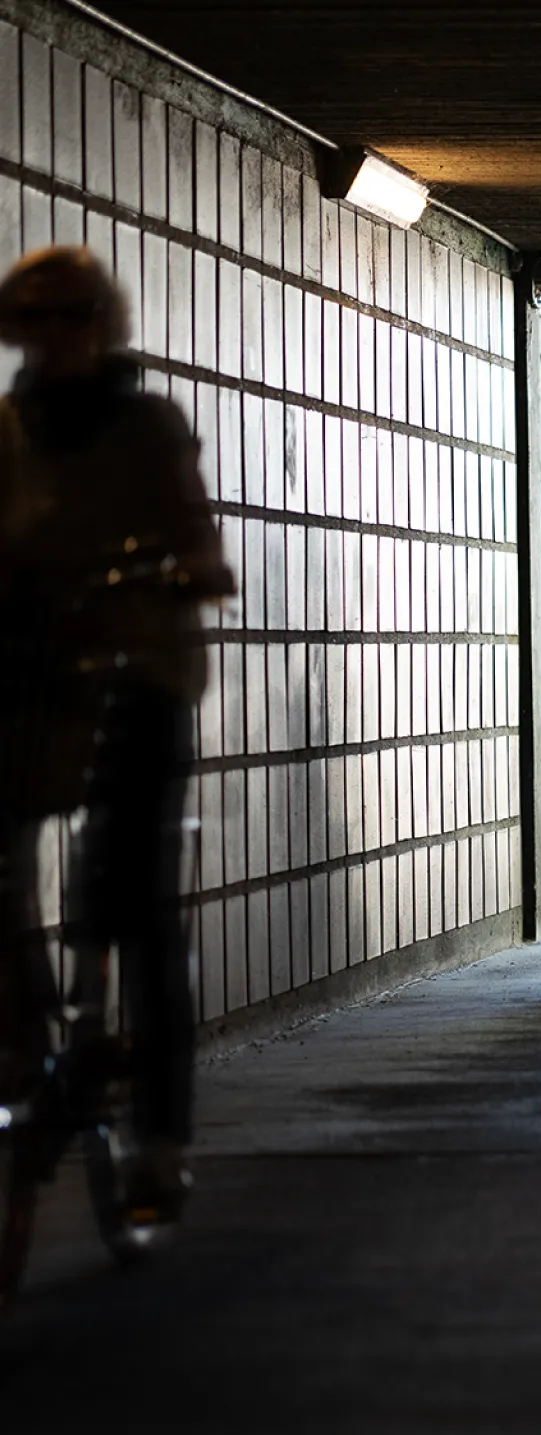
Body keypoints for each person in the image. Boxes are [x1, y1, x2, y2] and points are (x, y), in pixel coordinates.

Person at [0, 245, 233, 1217]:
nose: (57, 336)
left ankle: (163, 1139)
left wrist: (184, 574)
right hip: (28, 675)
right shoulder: (5, 429)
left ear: (105, 321)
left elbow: (198, 544)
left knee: (137, 903)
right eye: (36, 318)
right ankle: (31, 1044)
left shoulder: (147, 424)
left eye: (75, 315)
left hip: (139, 674)